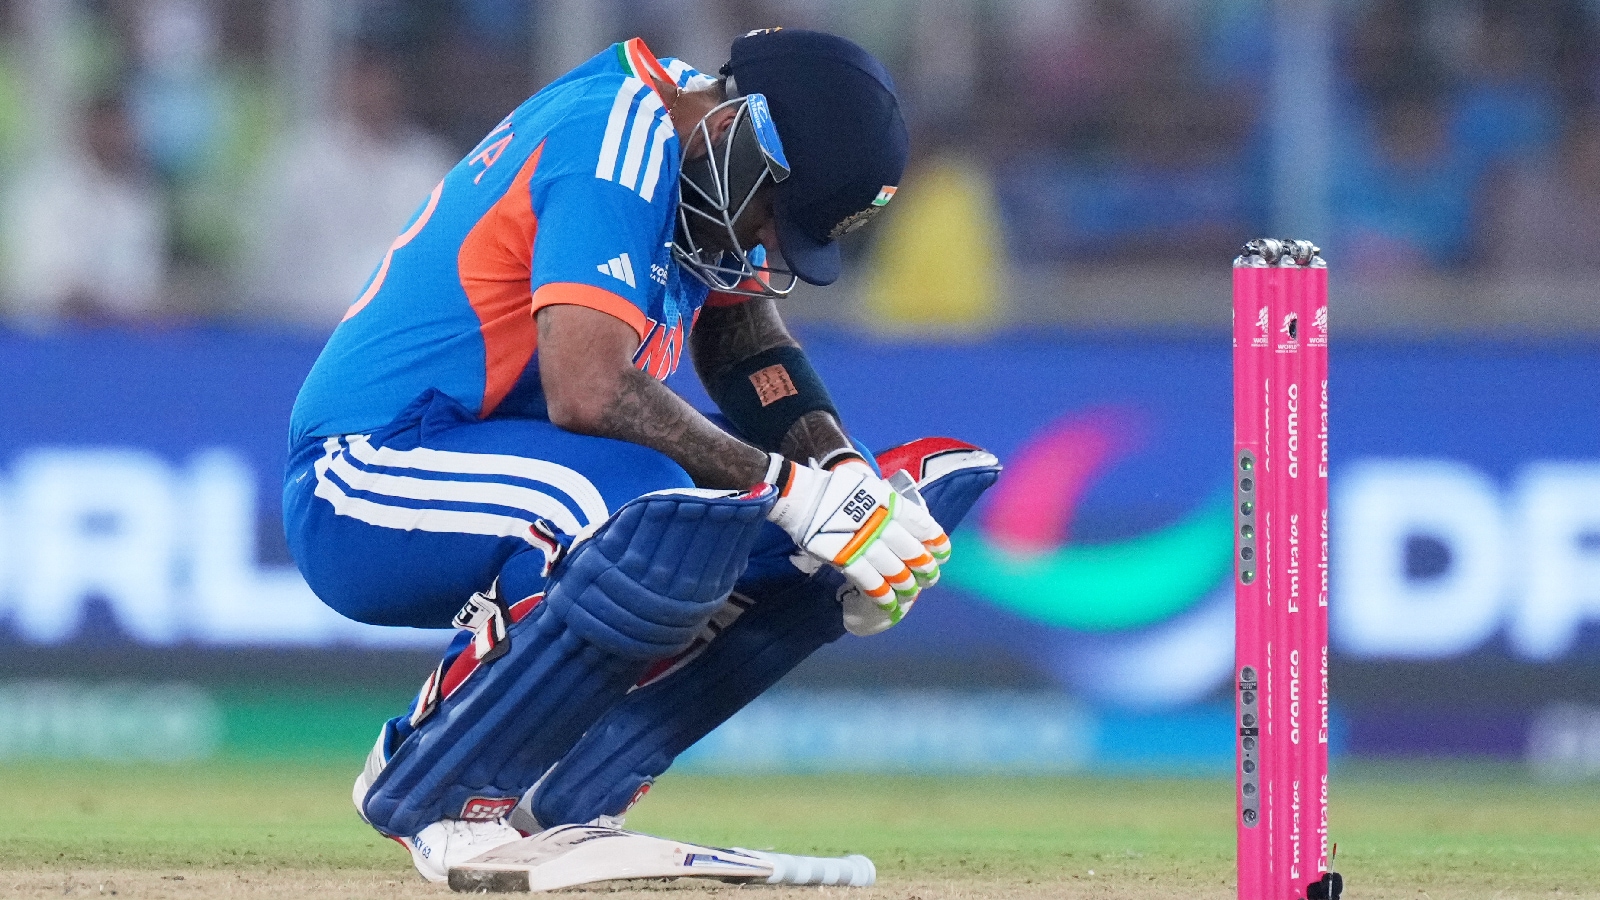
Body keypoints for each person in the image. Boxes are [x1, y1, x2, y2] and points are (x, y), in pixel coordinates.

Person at [282, 29, 1000, 882]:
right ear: (744, 133)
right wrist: (795, 493)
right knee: (650, 506)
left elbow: (741, 343)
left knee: (798, 530)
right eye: (774, 212)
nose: (767, 244)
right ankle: (438, 784)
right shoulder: (613, 137)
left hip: (518, 467)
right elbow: (586, 387)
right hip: (367, 473)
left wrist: (844, 482)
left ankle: (563, 789)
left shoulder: (706, 154)